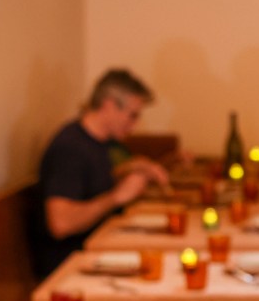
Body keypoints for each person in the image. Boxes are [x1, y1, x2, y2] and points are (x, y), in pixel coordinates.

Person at [31, 69, 170, 277]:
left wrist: (133, 168)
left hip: (99, 256)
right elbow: (61, 223)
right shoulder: (69, 148)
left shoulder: (100, 143)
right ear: (109, 105)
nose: (135, 124)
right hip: (69, 269)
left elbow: (91, 184)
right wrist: (116, 197)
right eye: (132, 115)